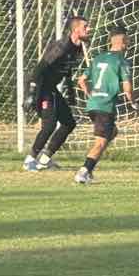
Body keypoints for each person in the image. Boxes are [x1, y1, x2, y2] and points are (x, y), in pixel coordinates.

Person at [23, 14, 91, 171]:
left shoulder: (78, 48)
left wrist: (71, 92)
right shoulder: (61, 47)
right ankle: (30, 160)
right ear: (75, 30)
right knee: (49, 125)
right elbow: (39, 69)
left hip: (51, 88)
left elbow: (67, 70)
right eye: (85, 27)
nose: (89, 29)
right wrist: (31, 94)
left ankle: (45, 159)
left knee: (68, 123)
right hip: (40, 87)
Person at [73, 25, 132, 184]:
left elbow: (81, 80)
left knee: (112, 132)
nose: (129, 42)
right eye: (128, 39)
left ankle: (89, 169)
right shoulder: (122, 61)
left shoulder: (98, 58)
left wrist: (91, 95)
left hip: (93, 105)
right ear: (124, 40)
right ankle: (83, 172)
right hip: (105, 107)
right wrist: (134, 102)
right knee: (100, 142)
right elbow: (128, 89)